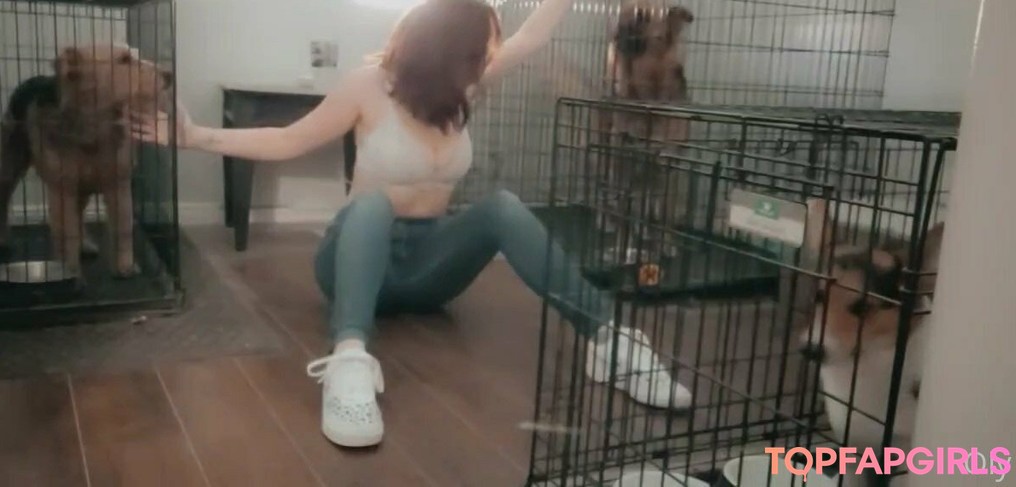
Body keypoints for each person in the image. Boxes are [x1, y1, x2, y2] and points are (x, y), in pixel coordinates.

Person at [131, 0, 692, 449]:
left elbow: (530, 38)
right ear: (442, 51)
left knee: (500, 205)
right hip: (356, 259)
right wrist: (195, 137)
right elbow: (286, 140)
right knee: (372, 206)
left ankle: (611, 341)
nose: (485, 63)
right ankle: (350, 361)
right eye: (476, 53)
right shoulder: (369, 86)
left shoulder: (464, 88)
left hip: (428, 271)